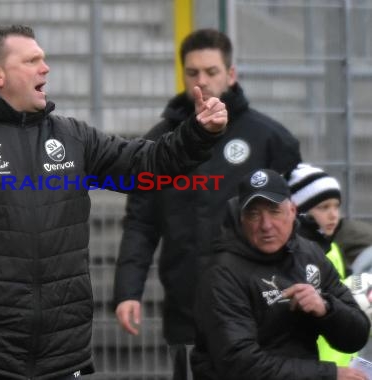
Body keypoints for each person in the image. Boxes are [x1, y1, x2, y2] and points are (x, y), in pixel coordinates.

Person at [0, 24, 228, 380]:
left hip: (61, 357)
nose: (45, 68)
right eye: (32, 60)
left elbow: (146, 167)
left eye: (44, 59)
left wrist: (199, 134)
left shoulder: (71, 136)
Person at [113, 28, 301, 380]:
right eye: (193, 72)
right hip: (188, 306)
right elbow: (141, 222)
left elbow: (298, 219)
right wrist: (128, 291)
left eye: (211, 72)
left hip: (261, 308)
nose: (202, 81)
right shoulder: (160, 143)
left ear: (231, 74)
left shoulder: (270, 138)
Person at [190, 168, 370, 380]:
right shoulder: (222, 274)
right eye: (254, 214)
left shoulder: (310, 254)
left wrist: (326, 308)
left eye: (274, 211)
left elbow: (356, 337)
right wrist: (328, 374)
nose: (266, 225)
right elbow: (240, 365)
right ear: (241, 218)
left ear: (292, 211)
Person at [287, 163, 372, 365]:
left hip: (342, 363)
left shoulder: (332, 248)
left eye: (336, 206)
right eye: (323, 207)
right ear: (299, 211)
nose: (333, 214)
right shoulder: (294, 254)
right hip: (313, 365)